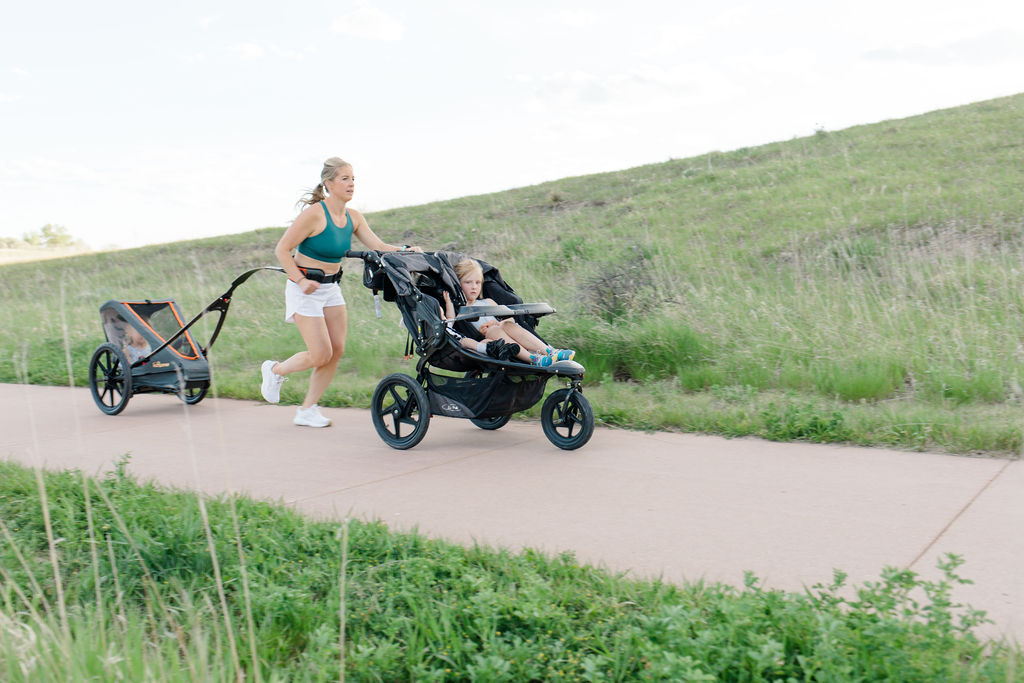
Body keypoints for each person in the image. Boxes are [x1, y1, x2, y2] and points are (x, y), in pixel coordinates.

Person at [260, 157, 422, 427]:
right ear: (329, 183)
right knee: (321, 353)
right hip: (304, 289)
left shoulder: (353, 217)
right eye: (345, 178)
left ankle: (307, 409)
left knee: (336, 351)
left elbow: (379, 245)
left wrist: (406, 251)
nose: (351, 184)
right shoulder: (314, 214)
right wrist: (300, 281)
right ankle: (275, 370)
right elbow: (281, 250)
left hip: (331, 288)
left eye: (353, 178)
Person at [443, 258, 574, 367]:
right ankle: (535, 359)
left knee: (507, 324)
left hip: (512, 338)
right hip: (491, 344)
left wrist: (498, 323)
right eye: (468, 282)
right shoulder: (461, 310)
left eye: (478, 283)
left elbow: (509, 320)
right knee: (492, 331)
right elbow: (450, 321)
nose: (474, 287)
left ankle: (550, 351)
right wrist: (448, 303)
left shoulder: (488, 302)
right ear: (458, 284)